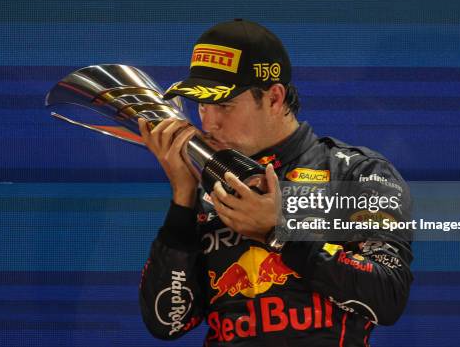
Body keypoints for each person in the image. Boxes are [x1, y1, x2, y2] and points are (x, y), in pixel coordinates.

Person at [138, 19, 413, 346]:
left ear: (274, 98)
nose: (208, 121)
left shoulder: (357, 173)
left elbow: (388, 294)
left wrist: (278, 231)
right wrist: (182, 198)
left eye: (224, 104)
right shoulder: (207, 184)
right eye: (201, 103)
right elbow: (168, 323)